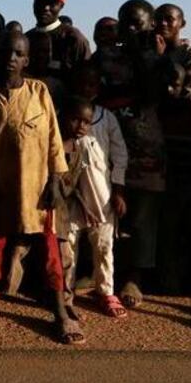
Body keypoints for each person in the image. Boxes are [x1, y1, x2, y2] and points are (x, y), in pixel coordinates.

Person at [0, 33, 80, 344]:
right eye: (7, 53)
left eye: (18, 54)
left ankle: (60, 312)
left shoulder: (38, 91)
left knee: (49, 253)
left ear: (27, 60)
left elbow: (54, 138)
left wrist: (57, 177)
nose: (11, 59)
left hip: (37, 190)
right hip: (1, 189)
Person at [111, 0, 167, 310]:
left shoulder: (163, 57)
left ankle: (135, 277)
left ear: (151, 25)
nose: (131, 29)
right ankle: (105, 272)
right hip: (114, 147)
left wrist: (149, 58)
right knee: (111, 213)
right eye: (126, 22)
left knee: (144, 218)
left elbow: (154, 95)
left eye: (138, 23)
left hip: (148, 152)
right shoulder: (110, 57)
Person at [56, 96, 126, 318]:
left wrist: (118, 191)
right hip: (70, 202)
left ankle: (106, 291)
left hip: (101, 198)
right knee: (68, 249)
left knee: (103, 247)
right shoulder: (62, 134)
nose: (81, 126)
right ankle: (65, 297)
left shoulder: (106, 119)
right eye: (77, 120)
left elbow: (119, 155)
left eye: (85, 122)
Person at [26, 0, 92, 84]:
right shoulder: (26, 39)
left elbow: (86, 80)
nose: (45, 8)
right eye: (41, 1)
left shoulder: (74, 38)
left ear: (61, 6)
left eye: (52, 3)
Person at [155, 3, 191, 97]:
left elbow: (185, 91)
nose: (163, 23)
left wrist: (159, 57)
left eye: (170, 19)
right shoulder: (148, 50)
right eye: (159, 19)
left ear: (182, 24)